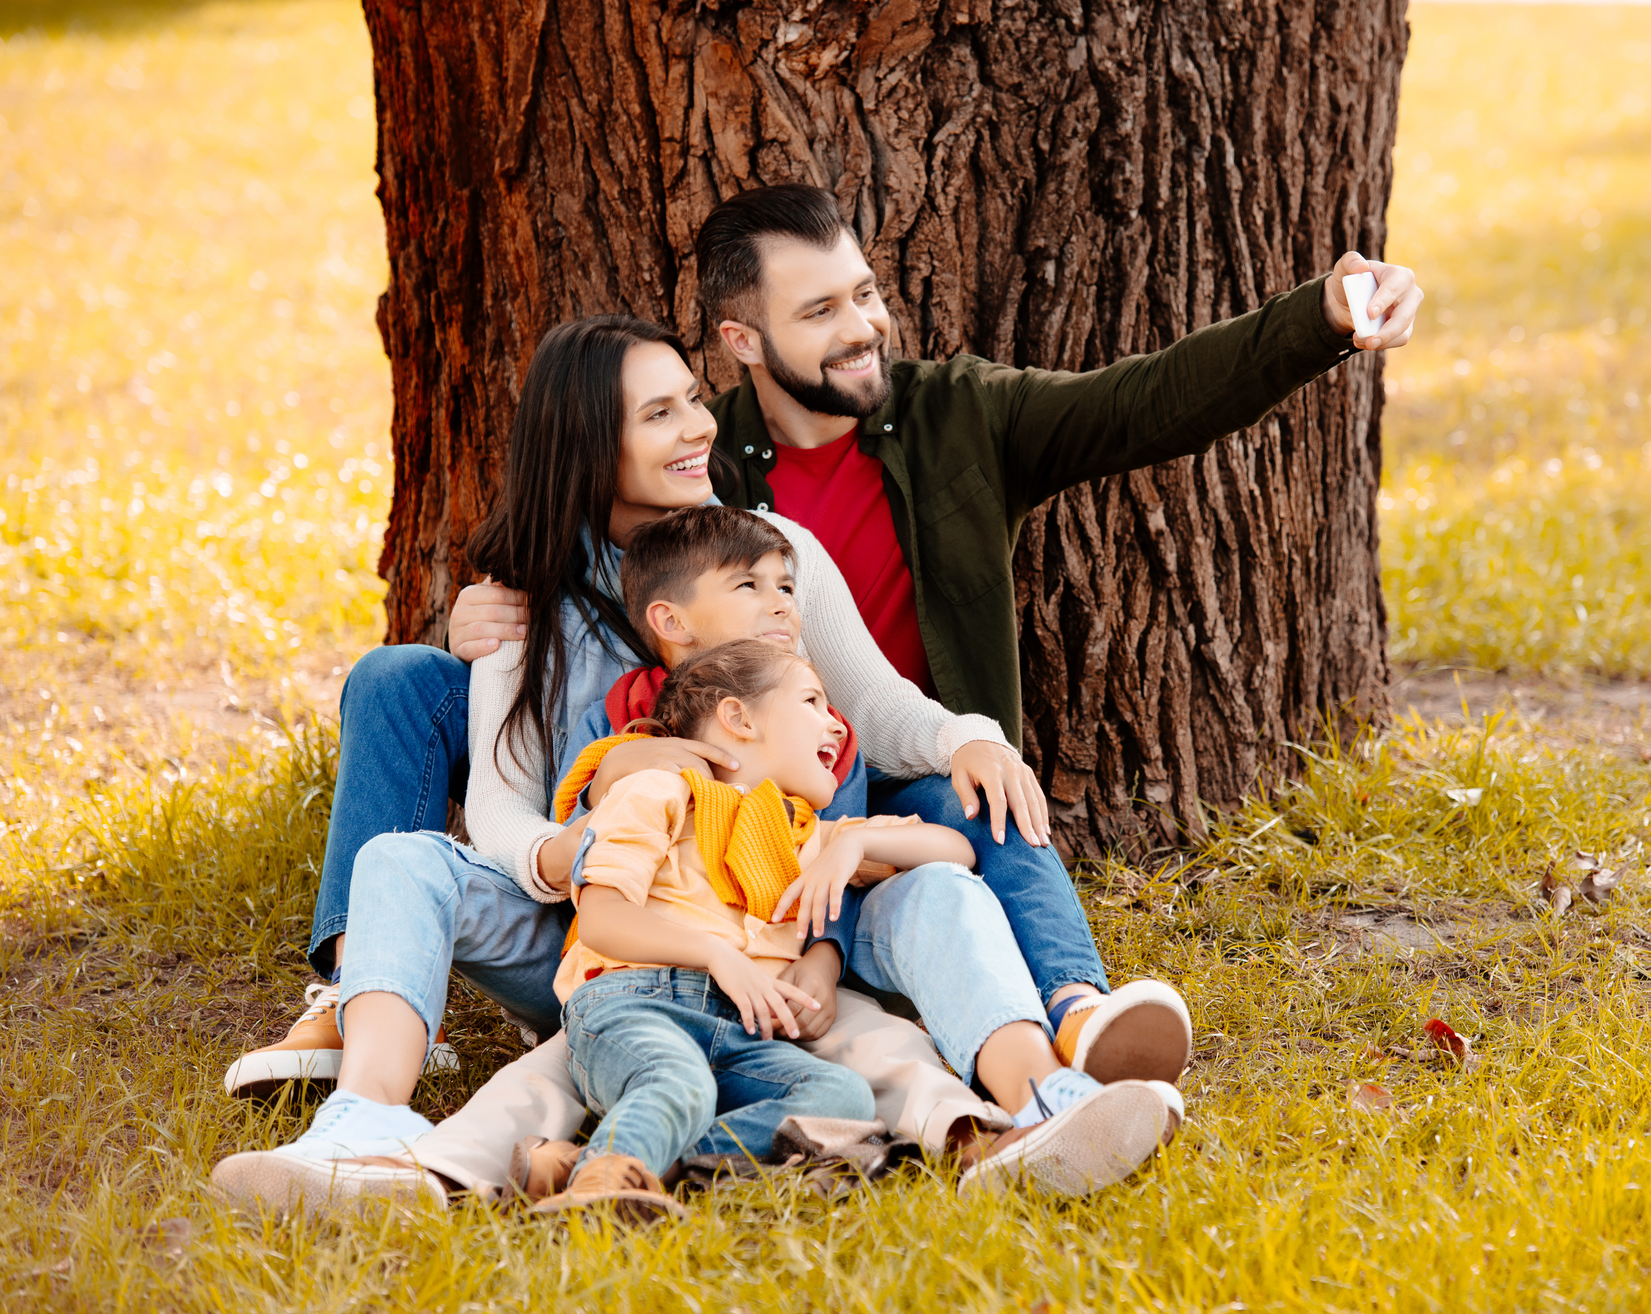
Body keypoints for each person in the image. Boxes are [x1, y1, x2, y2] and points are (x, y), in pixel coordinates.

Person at [454, 183, 1421, 1059]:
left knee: (984, 790)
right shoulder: (708, 478)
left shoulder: (959, 415)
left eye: (864, 294)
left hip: (893, 760)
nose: (862, 328)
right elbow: (598, 581)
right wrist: (480, 616)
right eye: (819, 312)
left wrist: (1321, 319)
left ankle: (1077, 1007)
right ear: (744, 341)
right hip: (762, 797)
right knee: (406, 685)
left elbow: (1146, 402)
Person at [210, 316, 1061, 1210]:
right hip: (604, 933)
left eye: (692, 398)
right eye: (660, 414)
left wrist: (962, 738)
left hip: (760, 944)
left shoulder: (765, 556)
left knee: (923, 901)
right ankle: (364, 1113)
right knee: (404, 853)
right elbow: (501, 807)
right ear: (590, 446)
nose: (699, 426)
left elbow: (873, 711)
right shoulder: (535, 606)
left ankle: (1051, 1059)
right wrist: (605, 843)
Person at [534, 639, 1179, 1216]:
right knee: (679, 1083)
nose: (836, 725)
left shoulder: (805, 835)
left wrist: (856, 843)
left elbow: (955, 851)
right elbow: (603, 917)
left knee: (839, 1099)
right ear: (738, 718)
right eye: (812, 701)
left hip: (737, 1025)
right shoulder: (659, 791)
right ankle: (599, 1190)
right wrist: (716, 956)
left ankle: (627, 1164)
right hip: (632, 1001)